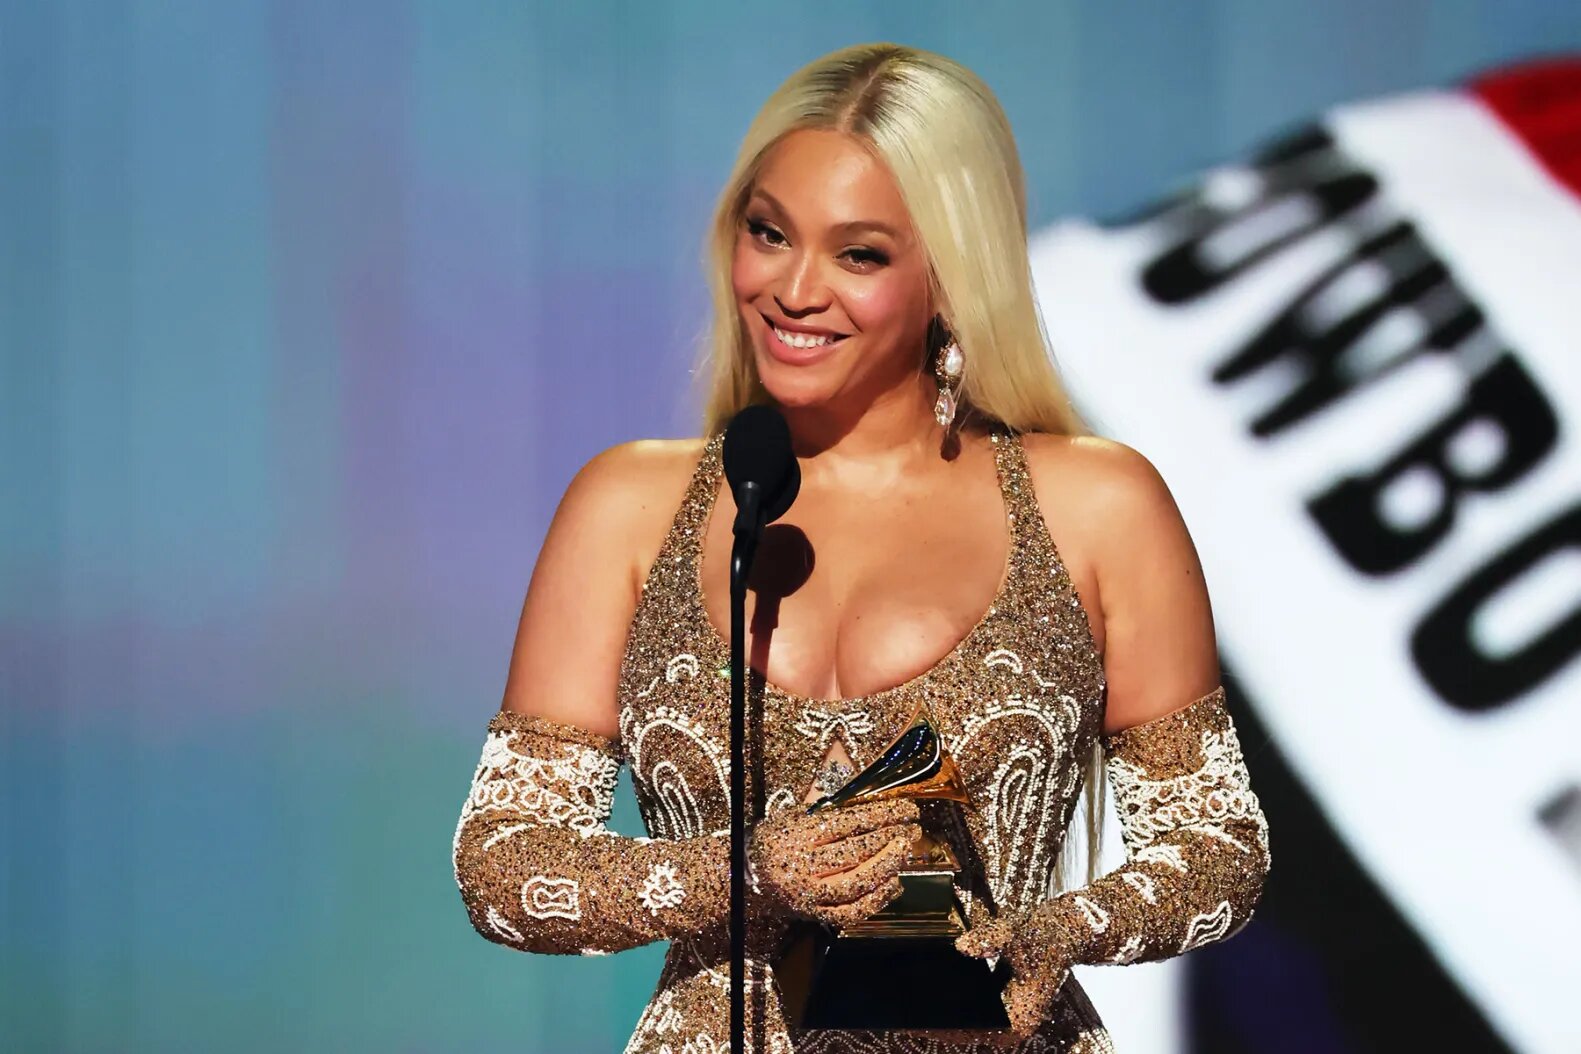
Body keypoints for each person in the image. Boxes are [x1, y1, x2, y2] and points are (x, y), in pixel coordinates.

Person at [451, 41, 1270, 1054]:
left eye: (860, 254)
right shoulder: (629, 506)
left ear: (949, 275)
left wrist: (1057, 930)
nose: (794, 289)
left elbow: (1218, 845)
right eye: (769, 233)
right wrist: (745, 874)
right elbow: (504, 860)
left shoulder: (1096, 504)